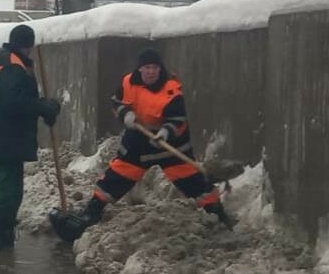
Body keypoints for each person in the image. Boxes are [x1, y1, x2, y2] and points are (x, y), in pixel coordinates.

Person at [50, 47, 232, 242]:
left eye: (154, 67)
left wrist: (165, 131)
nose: (151, 71)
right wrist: (125, 113)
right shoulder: (129, 82)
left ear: (160, 69)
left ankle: (218, 215)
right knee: (118, 175)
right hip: (139, 140)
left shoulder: (171, 89)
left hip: (171, 144)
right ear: (140, 69)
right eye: (147, 67)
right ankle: (92, 211)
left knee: (193, 180)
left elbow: (178, 119)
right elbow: (116, 101)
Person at [0, 24, 60, 251]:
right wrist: (42, 107)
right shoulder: (13, 66)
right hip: (5, 138)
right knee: (9, 190)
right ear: (27, 46)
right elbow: (14, 101)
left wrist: (42, 108)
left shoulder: (6, 61)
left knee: (9, 187)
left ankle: (0, 237)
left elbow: (17, 98)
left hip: (1, 135)